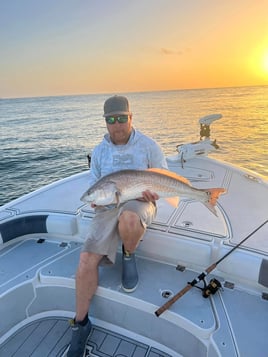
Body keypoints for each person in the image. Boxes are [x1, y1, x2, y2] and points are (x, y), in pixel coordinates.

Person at [67, 95, 168, 356]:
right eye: (111, 119)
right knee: (86, 259)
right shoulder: (99, 151)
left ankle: (128, 254)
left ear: (131, 117)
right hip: (107, 206)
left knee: (130, 219)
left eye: (122, 118)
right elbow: (94, 185)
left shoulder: (148, 146)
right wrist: (96, 201)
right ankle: (80, 323)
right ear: (105, 122)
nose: (117, 124)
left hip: (139, 202)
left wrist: (152, 192)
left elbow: (164, 176)